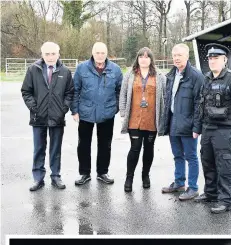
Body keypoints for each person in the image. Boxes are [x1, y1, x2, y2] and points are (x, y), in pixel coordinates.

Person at [194, 43, 231, 213]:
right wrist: (198, 127)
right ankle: (211, 193)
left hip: (225, 131)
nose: (212, 61)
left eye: (216, 58)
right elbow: (200, 105)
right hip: (207, 129)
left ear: (224, 60)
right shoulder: (206, 78)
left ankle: (226, 200)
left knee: (225, 165)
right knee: (208, 162)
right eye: (210, 58)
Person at [21, 41, 74, 191]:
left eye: (53, 54)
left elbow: (70, 92)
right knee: (39, 148)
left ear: (58, 54)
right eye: (47, 54)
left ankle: (56, 176)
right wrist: (34, 107)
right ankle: (38, 178)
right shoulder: (33, 70)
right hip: (38, 117)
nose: (50, 57)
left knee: (55, 148)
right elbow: (26, 91)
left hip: (57, 118)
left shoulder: (65, 71)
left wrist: (63, 108)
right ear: (42, 54)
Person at [70, 42, 123, 186]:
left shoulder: (116, 70)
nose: (100, 56)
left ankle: (102, 172)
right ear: (92, 53)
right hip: (85, 113)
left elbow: (120, 91)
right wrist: (74, 110)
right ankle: (84, 173)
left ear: (107, 54)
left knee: (105, 144)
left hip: (107, 113)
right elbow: (75, 90)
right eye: (97, 53)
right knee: (83, 144)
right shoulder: (82, 68)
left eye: (103, 53)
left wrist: (115, 108)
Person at [160, 43, 204, 200]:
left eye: (179, 55)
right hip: (173, 122)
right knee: (177, 155)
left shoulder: (196, 76)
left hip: (189, 124)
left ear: (187, 56)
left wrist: (197, 126)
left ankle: (193, 187)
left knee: (191, 156)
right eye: (174, 55)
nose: (176, 58)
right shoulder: (171, 75)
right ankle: (179, 183)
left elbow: (200, 104)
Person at [119, 47, 166, 192]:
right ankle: (129, 177)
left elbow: (165, 96)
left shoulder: (159, 76)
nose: (143, 59)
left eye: (146, 57)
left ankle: (145, 175)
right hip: (134, 119)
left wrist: (163, 116)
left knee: (149, 148)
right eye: (141, 56)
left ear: (151, 59)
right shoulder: (130, 75)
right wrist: (122, 111)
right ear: (137, 59)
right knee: (135, 148)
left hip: (152, 119)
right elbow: (123, 94)